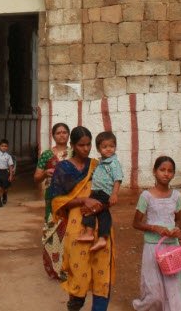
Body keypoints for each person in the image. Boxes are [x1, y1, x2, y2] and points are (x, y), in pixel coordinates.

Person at [49, 126, 114, 311]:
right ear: (72, 145)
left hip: (101, 222)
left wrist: (101, 203)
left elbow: (109, 191)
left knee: (102, 271)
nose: (85, 149)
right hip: (77, 226)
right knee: (78, 271)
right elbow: (57, 202)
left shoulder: (98, 165)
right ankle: (75, 305)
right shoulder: (63, 168)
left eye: (88, 145)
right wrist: (84, 199)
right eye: (81, 145)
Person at [132, 156, 181, 311]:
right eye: (162, 170)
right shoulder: (146, 196)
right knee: (154, 293)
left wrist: (177, 231)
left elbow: (176, 220)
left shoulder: (177, 196)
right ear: (155, 171)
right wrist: (155, 228)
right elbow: (136, 223)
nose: (166, 174)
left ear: (173, 174)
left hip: (172, 250)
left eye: (170, 171)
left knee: (174, 289)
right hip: (153, 248)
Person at [35, 122, 71, 280]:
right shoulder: (47, 155)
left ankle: (69, 268)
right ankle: (55, 269)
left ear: (68, 135)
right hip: (52, 198)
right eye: (58, 133)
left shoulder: (75, 152)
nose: (62, 135)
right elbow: (36, 178)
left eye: (64, 132)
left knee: (70, 230)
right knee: (52, 229)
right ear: (53, 136)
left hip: (72, 198)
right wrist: (45, 173)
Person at [77, 131, 123, 252]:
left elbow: (118, 179)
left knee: (89, 209)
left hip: (104, 192)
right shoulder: (100, 162)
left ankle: (89, 232)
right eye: (105, 147)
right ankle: (102, 238)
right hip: (97, 191)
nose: (108, 149)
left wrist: (114, 194)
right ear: (98, 148)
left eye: (111, 146)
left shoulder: (114, 163)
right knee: (103, 213)